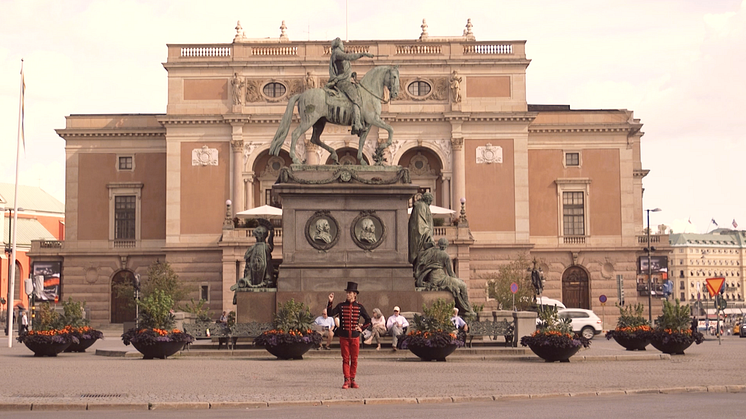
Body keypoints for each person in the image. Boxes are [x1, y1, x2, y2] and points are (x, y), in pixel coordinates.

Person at [326, 37, 374, 135]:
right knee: (356, 98)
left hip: (345, 81)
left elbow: (343, 70)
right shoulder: (337, 53)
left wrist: (350, 75)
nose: (343, 46)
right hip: (342, 83)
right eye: (342, 44)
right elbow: (349, 57)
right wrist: (363, 54)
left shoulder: (338, 54)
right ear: (338, 45)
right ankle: (356, 124)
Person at [327, 281, 371, 389]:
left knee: (354, 359)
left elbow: (368, 320)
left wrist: (361, 328)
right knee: (345, 359)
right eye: (347, 292)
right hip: (344, 337)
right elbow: (330, 313)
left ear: (355, 294)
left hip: (355, 337)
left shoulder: (359, 306)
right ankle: (346, 380)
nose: (348, 294)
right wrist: (330, 302)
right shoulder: (341, 306)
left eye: (350, 292)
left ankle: (353, 379)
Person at [415, 238, 474, 315]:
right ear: (446, 245)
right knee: (463, 285)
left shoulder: (431, 252)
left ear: (439, 244)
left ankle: (466, 308)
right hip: (441, 278)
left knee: (459, 284)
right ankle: (467, 309)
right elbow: (450, 273)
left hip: (431, 277)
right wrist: (459, 280)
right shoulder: (445, 255)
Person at [409, 192, 435, 275]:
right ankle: (418, 271)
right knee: (419, 253)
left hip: (420, 232)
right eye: (430, 201)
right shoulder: (421, 206)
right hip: (420, 234)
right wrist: (427, 233)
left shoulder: (422, 206)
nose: (430, 203)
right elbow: (420, 224)